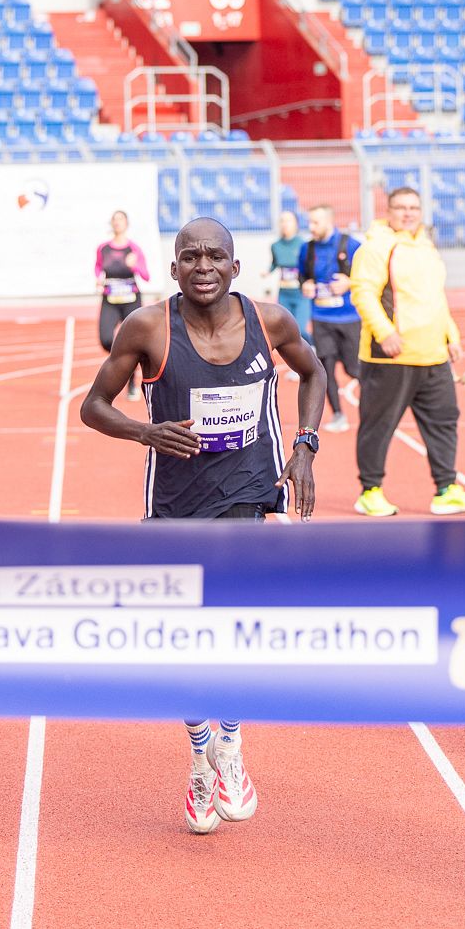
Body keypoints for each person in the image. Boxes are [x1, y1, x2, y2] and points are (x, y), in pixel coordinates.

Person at [79, 216, 325, 834]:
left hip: (248, 494)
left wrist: (305, 445)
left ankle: (231, 746)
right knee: (182, 641)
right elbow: (93, 406)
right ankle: (198, 756)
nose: (204, 266)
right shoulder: (147, 328)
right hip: (175, 503)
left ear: (236, 267)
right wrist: (145, 431)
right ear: (173, 268)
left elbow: (315, 372)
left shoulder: (271, 322)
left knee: (236, 633)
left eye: (216, 256)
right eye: (191, 256)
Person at [349, 186, 465, 517]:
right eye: (401, 207)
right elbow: (363, 293)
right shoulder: (376, 247)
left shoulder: (426, 247)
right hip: (391, 356)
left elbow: (436, 298)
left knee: (444, 422)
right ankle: (370, 492)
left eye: (414, 207)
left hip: (433, 356)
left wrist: (451, 336)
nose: (408, 213)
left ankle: (446, 490)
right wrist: (385, 332)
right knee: (378, 426)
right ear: (389, 211)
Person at [299, 204, 362, 433]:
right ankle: (337, 414)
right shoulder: (307, 249)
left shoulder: (351, 245)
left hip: (349, 318)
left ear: (329, 221)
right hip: (321, 318)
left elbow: (369, 277)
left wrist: (350, 282)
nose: (311, 227)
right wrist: (305, 285)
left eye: (316, 222)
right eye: (310, 222)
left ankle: (372, 411)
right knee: (325, 370)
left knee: (354, 369)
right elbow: (302, 276)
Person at [94, 210, 150, 400]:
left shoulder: (134, 249)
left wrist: (135, 265)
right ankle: (126, 361)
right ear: (111, 224)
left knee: (134, 341)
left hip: (131, 300)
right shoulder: (103, 248)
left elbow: (146, 275)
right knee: (106, 339)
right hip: (110, 300)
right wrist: (98, 279)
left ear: (127, 224)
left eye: (121, 219)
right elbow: (98, 267)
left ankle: (132, 381)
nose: (117, 223)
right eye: (115, 219)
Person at [267, 208, 308, 340]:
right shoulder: (275, 246)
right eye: (282, 221)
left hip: (301, 294)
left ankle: (312, 346)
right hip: (284, 294)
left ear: (296, 224)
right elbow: (275, 262)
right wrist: (268, 271)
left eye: (288, 220)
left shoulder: (303, 245)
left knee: (301, 330)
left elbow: (309, 265)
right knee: (285, 330)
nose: (285, 224)